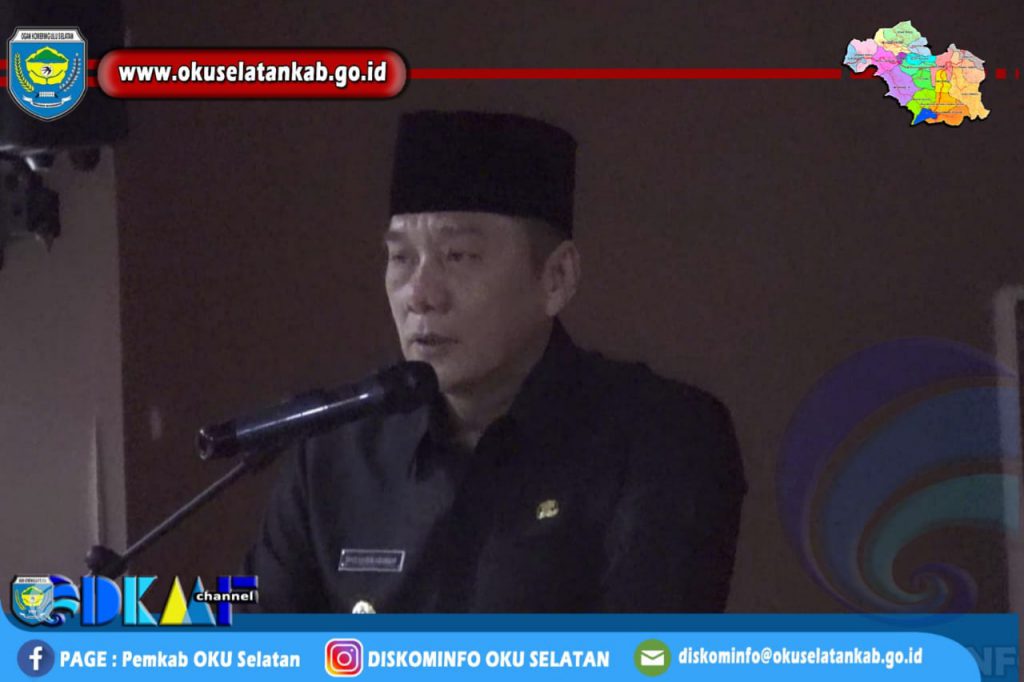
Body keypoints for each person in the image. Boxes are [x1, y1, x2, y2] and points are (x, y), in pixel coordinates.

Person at [244, 110, 747, 612]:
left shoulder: (662, 439)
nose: (420, 294)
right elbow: (244, 629)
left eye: (458, 256)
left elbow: (648, 648)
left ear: (557, 278)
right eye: (401, 258)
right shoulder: (335, 452)